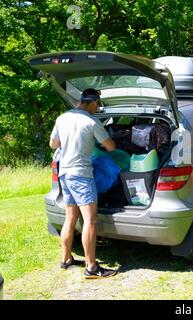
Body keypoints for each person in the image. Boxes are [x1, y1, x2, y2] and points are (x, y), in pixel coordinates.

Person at [49, 88, 118, 279]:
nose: (98, 108)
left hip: (64, 173)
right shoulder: (91, 121)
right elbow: (111, 146)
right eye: (98, 105)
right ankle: (91, 267)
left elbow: (53, 144)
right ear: (93, 102)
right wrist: (96, 143)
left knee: (70, 218)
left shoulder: (62, 118)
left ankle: (66, 259)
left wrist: (71, 143)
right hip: (81, 175)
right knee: (90, 220)